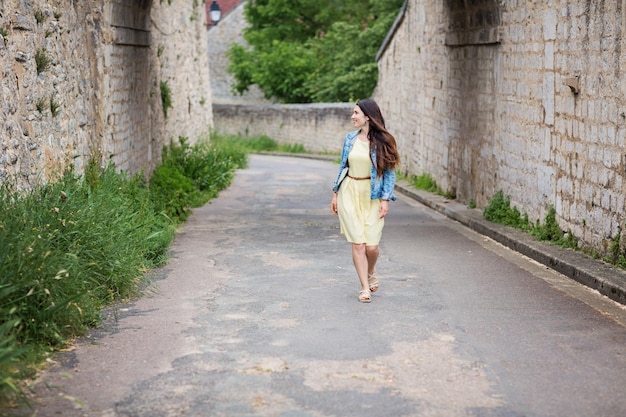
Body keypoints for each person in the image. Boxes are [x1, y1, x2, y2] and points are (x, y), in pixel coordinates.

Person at [330, 98, 400, 303]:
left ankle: (371, 270)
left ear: (367, 116)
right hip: (349, 192)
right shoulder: (349, 139)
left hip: (373, 195)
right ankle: (364, 287)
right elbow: (343, 167)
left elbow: (389, 173)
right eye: (353, 113)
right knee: (358, 244)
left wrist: (386, 199)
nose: (353, 117)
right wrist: (335, 193)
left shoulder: (384, 142)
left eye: (356, 113)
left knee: (372, 247)